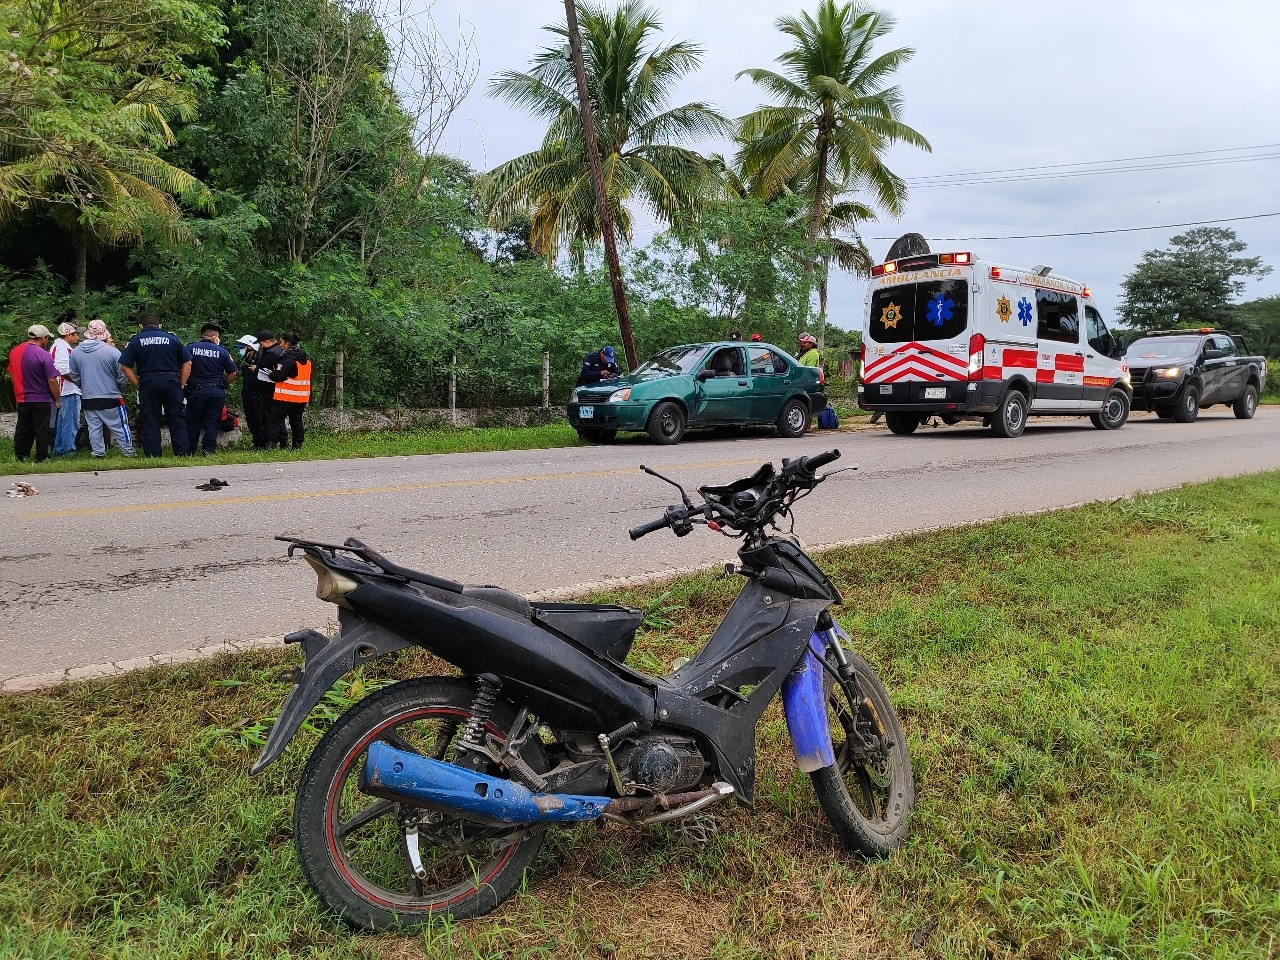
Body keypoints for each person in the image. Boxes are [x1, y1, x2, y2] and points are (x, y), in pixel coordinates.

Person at [119, 313, 191, 457]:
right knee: (177, 418)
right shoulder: (172, 338)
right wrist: (182, 383)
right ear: (160, 326)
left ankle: (153, 454)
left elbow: (125, 366)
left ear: (141, 326)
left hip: (148, 381)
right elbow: (187, 362)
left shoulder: (136, 340)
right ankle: (182, 453)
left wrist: (138, 384)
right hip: (171, 381)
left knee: (150, 419)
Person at [68, 319, 134, 458]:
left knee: (93, 428)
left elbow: (74, 375)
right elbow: (121, 376)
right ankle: (128, 452)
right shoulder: (112, 352)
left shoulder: (76, 352)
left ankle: (98, 453)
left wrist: (83, 386)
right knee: (120, 427)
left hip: (88, 397)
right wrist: (121, 389)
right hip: (112, 396)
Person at [7, 324, 61, 462]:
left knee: (24, 429)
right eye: (47, 338)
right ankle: (43, 458)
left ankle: (21, 456)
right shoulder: (44, 354)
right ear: (42, 338)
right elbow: (52, 380)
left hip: (22, 398)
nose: (47, 340)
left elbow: (13, 375)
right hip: (42, 399)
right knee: (44, 429)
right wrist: (57, 399)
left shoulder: (14, 352)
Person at [185, 322, 238, 455]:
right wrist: (225, 383)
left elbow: (183, 366)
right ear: (214, 337)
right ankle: (208, 450)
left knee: (193, 422)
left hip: (195, 391)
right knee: (212, 421)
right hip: (215, 391)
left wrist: (183, 384)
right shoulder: (222, 351)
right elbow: (233, 372)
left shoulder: (190, 348)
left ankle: (190, 450)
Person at [267, 331, 311, 450]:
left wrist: (271, 374)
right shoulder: (305, 360)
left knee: (273, 419)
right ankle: (297, 445)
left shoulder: (287, 359)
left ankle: (272, 444)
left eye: (281, 342)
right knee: (296, 421)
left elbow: (279, 376)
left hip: (287, 396)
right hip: (301, 397)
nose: (280, 345)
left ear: (287, 344)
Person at [242, 330, 283, 448]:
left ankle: (266, 443)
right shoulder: (249, 358)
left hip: (261, 392)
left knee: (262, 420)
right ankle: (260, 443)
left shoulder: (268, 354)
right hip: (251, 392)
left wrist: (255, 369)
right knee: (254, 420)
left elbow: (265, 372)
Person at [50, 319, 85, 455]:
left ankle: (59, 449)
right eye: (76, 334)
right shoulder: (63, 347)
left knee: (63, 422)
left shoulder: (59, 346)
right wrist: (78, 382)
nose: (78, 336)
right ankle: (68, 450)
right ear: (68, 334)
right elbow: (63, 369)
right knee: (71, 422)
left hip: (64, 390)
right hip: (68, 390)